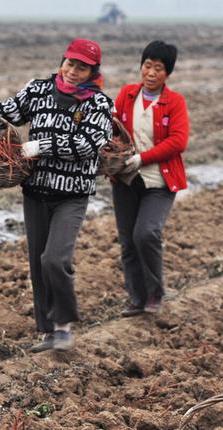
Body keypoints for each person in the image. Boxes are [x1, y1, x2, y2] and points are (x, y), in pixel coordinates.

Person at [0, 39, 113, 352]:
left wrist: (41, 147)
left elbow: (87, 145)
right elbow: (1, 114)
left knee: (55, 259)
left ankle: (63, 325)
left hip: (72, 195)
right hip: (36, 191)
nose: (73, 71)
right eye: (70, 63)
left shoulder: (99, 104)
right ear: (62, 62)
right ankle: (49, 332)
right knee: (37, 262)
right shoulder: (38, 90)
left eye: (82, 67)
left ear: (92, 72)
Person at [112, 41, 189, 317]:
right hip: (126, 180)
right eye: (147, 65)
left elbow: (178, 141)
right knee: (128, 242)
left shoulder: (174, 102)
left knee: (146, 233)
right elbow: (113, 128)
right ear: (141, 66)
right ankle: (137, 298)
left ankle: (155, 293)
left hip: (160, 181)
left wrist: (143, 158)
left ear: (167, 73)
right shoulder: (127, 94)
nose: (151, 72)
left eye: (158, 68)